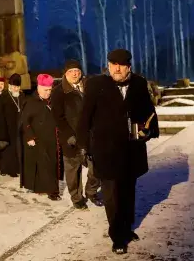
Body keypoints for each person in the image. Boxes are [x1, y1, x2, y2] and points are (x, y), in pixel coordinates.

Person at [76, 49, 159, 254]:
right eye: (113, 64)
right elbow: (85, 117)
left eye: (121, 65)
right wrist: (83, 146)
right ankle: (118, 237)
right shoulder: (95, 85)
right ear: (108, 66)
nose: (117, 68)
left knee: (128, 192)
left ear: (129, 66)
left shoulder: (139, 83)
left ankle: (126, 228)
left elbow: (148, 112)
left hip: (132, 150)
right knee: (112, 196)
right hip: (106, 151)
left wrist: (148, 129)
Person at [51, 59, 102, 209]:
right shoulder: (59, 92)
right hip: (71, 138)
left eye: (77, 71)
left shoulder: (89, 87)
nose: (75, 74)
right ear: (65, 74)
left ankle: (91, 192)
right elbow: (57, 117)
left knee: (96, 168)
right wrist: (68, 135)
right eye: (71, 71)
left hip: (91, 136)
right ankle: (77, 198)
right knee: (73, 172)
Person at [20, 74, 63, 201]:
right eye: (45, 90)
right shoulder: (30, 102)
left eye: (50, 90)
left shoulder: (53, 100)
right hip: (38, 139)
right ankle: (51, 191)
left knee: (51, 166)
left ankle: (52, 190)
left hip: (53, 139)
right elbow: (24, 121)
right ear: (39, 88)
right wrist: (29, 137)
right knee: (43, 166)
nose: (48, 93)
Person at [0, 73, 25, 177]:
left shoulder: (22, 96)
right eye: (13, 86)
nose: (15, 89)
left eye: (17, 87)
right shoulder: (4, 96)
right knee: (8, 149)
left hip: (18, 125)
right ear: (10, 86)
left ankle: (17, 168)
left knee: (18, 148)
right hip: (6, 125)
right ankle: (7, 169)